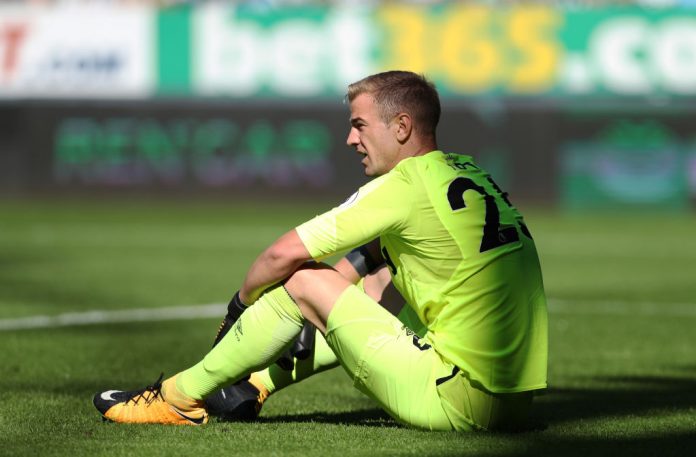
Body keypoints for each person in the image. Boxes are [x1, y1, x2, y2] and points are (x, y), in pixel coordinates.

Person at [93, 70, 548, 431]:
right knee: (383, 280)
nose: (350, 139)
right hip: (512, 402)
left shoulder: (402, 185)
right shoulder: (466, 171)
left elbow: (280, 255)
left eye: (359, 125)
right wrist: (327, 300)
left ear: (402, 127)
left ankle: (180, 398)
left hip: (458, 398)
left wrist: (238, 309)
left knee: (303, 279)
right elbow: (376, 257)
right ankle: (251, 386)